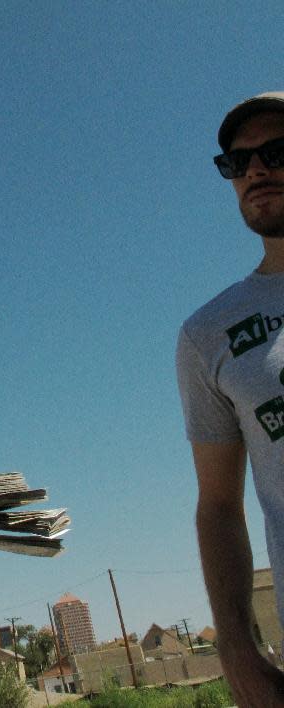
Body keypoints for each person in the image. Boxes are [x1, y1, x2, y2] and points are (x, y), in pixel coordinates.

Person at [177, 91, 284, 707]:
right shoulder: (208, 334)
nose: (254, 171)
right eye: (237, 163)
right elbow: (218, 505)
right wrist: (236, 648)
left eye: (276, 153)